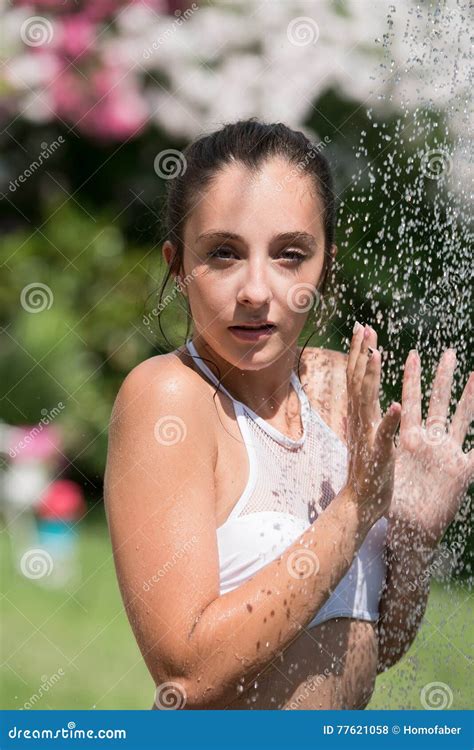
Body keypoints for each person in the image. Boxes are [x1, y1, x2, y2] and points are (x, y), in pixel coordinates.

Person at [104, 119, 473, 710]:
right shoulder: (169, 398)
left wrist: (414, 532)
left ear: (324, 264)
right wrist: (354, 509)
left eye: (290, 255)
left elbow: (373, 644)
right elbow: (186, 673)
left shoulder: (340, 388)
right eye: (223, 253)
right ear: (178, 266)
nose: (256, 289)